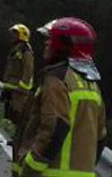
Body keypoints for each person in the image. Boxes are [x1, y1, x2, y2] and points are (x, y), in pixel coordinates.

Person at [14, 18, 106, 177]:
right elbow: (101, 137)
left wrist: (30, 168)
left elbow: (55, 127)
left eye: (51, 38)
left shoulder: (56, 79)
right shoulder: (90, 83)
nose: (46, 43)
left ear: (64, 44)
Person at [3, 23, 34, 127]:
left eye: (15, 34)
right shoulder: (15, 50)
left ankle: (19, 139)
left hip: (19, 90)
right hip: (12, 87)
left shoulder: (25, 51)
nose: (12, 36)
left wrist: (22, 86)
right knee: (11, 114)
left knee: (19, 115)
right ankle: (14, 137)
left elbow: (28, 70)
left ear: (22, 35)